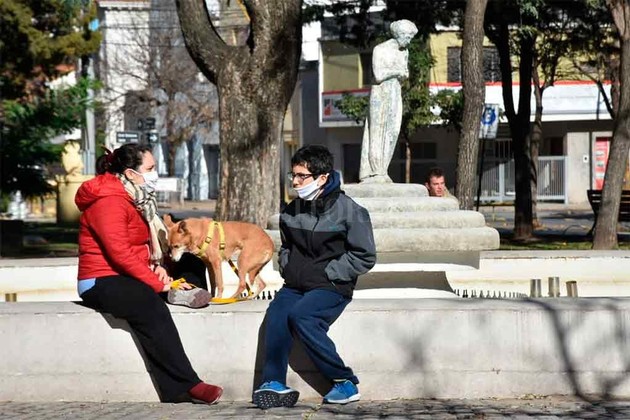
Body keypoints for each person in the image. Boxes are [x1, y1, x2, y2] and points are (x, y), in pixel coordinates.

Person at [74, 143, 222, 404]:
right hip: (100, 279)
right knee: (149, 304)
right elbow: (119, 253)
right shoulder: (108, 202)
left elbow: (142, 247)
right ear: (131, 173)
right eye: (151, 168)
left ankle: (182, 292)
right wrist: (158, 283)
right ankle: (185, 386)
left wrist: (160, 267)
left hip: (130, 272)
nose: (156, 174)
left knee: (191, 262)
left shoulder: (137, 198)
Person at [252, 145, 377, 409]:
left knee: (303, 316)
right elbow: (286, 247)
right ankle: (273, 383)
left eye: (302, 176)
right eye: (293, 175)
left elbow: (365, 256)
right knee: (277, 315)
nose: (295, 182)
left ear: (322, 178)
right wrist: (287, 266)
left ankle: (344, 381)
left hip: (331, 286)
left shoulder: (351, 211)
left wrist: (331, 272)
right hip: (295, 285)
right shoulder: (291, 210)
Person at [359, 19, 419, 183]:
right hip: (380, 93)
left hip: (395, 91)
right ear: (400, 34)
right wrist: (396, 72)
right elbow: (378, 75)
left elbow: (405, 73)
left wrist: (400, 73)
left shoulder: (404, 52)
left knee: (392, 131)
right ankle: (374, 171)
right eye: (408, 37)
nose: (409, 41)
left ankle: (383, 170)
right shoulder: (380, 49)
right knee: (377, 131)